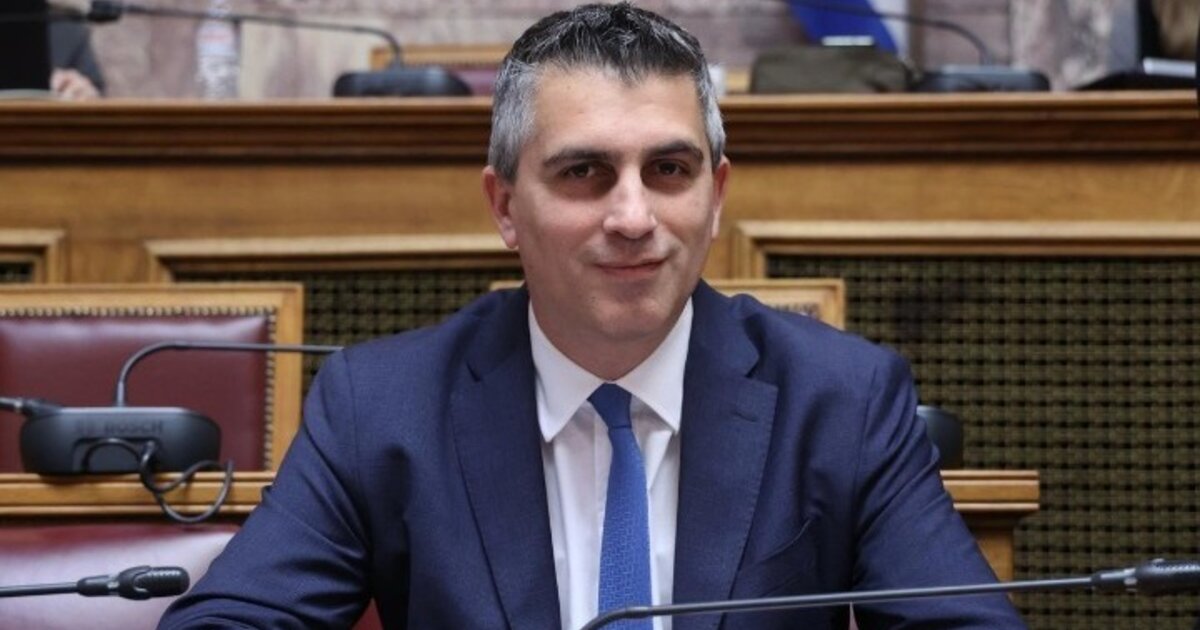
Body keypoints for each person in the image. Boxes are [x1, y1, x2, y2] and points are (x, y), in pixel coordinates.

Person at [160, 4, 1025, 629]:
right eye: (584, 173)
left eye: (670, 171)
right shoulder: (381, 406)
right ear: (505, 206)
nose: (634, 217)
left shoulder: (841, 399)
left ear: (716, 196)